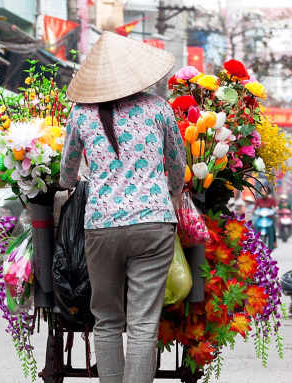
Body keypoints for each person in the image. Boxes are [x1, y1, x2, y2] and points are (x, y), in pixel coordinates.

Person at [58, 31, 185, 383]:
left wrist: (80, 178)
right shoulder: (159, 108)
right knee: (144, 322)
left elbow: (66, 176)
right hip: (154, 223)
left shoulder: (81, 115)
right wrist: (173, 194)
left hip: (101, 225)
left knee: (107, 318)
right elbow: (177, 166)